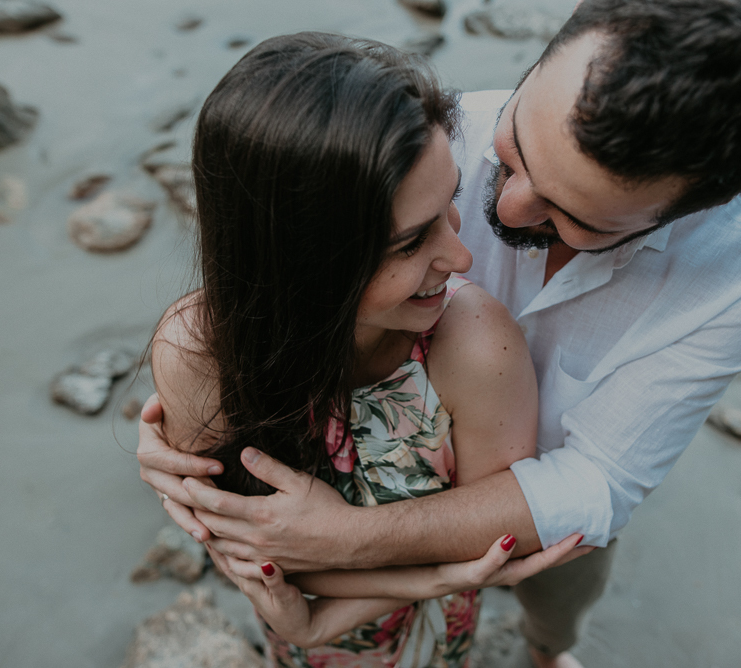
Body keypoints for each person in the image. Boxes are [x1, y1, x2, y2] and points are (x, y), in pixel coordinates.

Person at [139, 1, 741, 666]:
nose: (502, 205)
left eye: (573, 213)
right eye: (517, 146)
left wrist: (349, 540)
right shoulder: (428, 140)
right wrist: (185, 437)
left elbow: (597, 482)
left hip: (546, 494)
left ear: (685, 212)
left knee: (560, 592)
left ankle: (546, 647)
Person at [148, 32, 585, 668]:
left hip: (432, 630)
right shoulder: (197, 353)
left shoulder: (476, 344)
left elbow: (490, 545)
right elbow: (251, 555)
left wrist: (329, 614)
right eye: (410, 243)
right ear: (296, 262)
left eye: (450, 203)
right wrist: (317, 621)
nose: (461, 258)